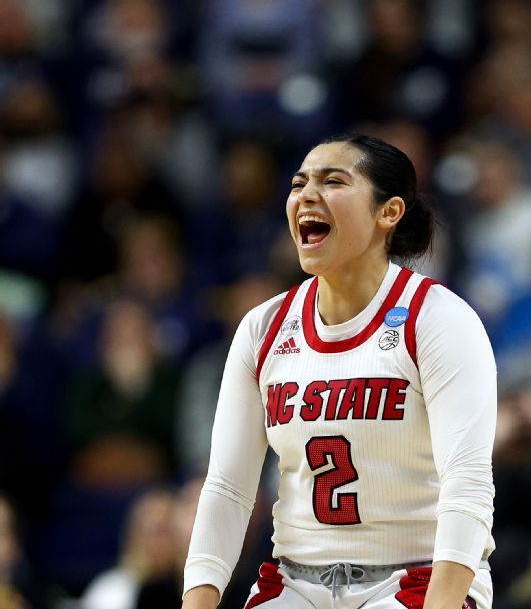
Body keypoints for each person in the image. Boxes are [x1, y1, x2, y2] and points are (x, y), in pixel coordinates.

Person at [180, 133, 496, 609]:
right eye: (298, 183)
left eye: (333, 182)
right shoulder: (263, 328)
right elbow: (228, 487)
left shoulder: (438, 318)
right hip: (294, 584)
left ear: (387, 213)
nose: (307, 195)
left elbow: (467, 480)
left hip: (416, 578)